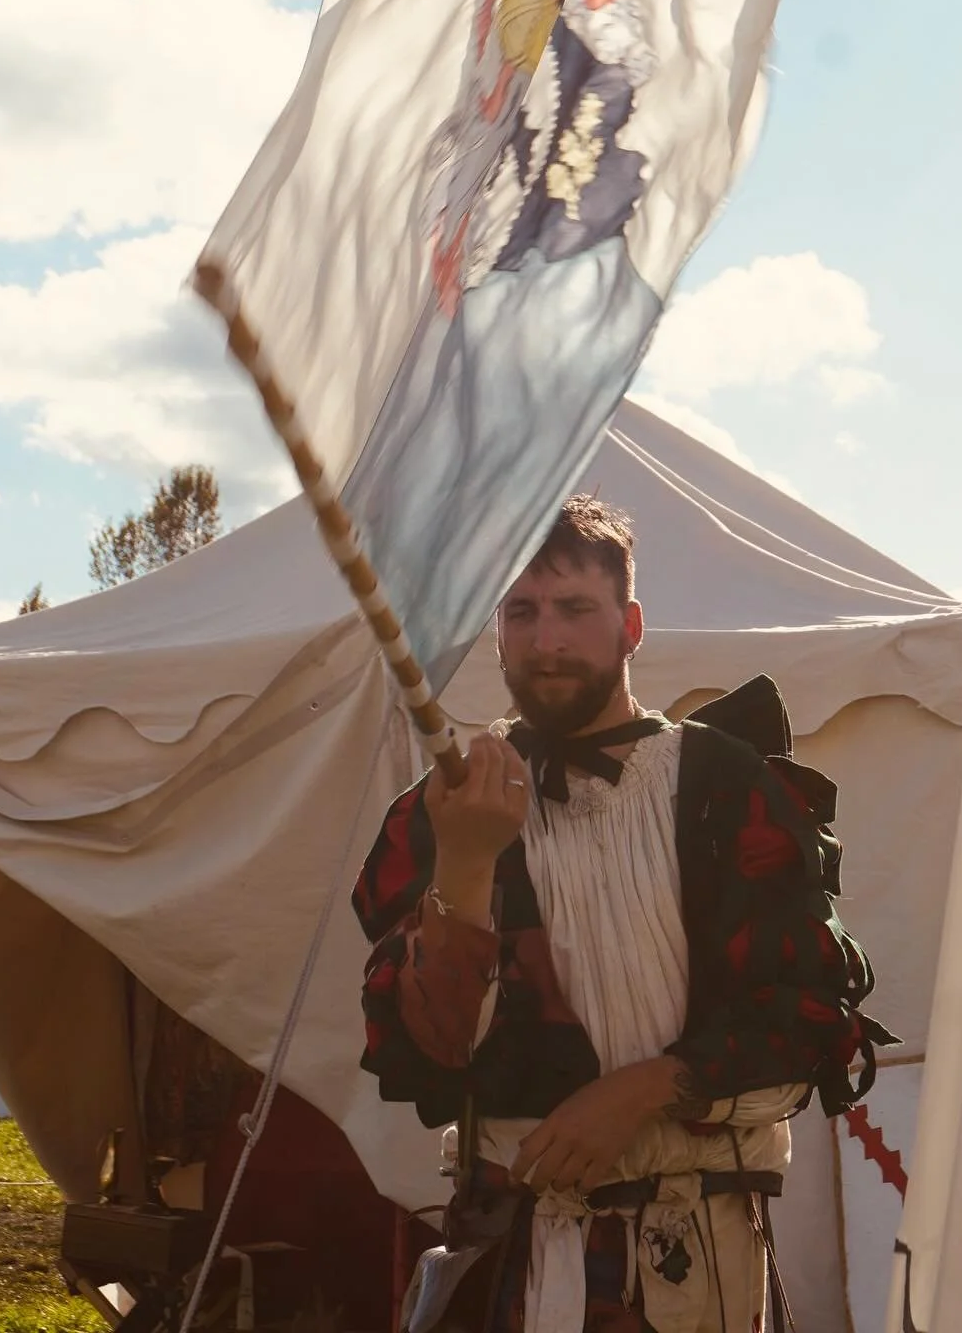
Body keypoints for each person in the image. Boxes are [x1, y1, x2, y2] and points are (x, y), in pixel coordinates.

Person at [354, 496, 892, 1333]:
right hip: (519, 1258)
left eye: (575, 609)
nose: (548, 639)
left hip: (698, 1264)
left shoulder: (725, 788)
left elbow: (808, 1016)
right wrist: (464, 862)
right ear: (497, 631)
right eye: (522, 613)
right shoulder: (448, 806)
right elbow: (432, 1050)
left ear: (630, 624)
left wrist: (645, 1089)